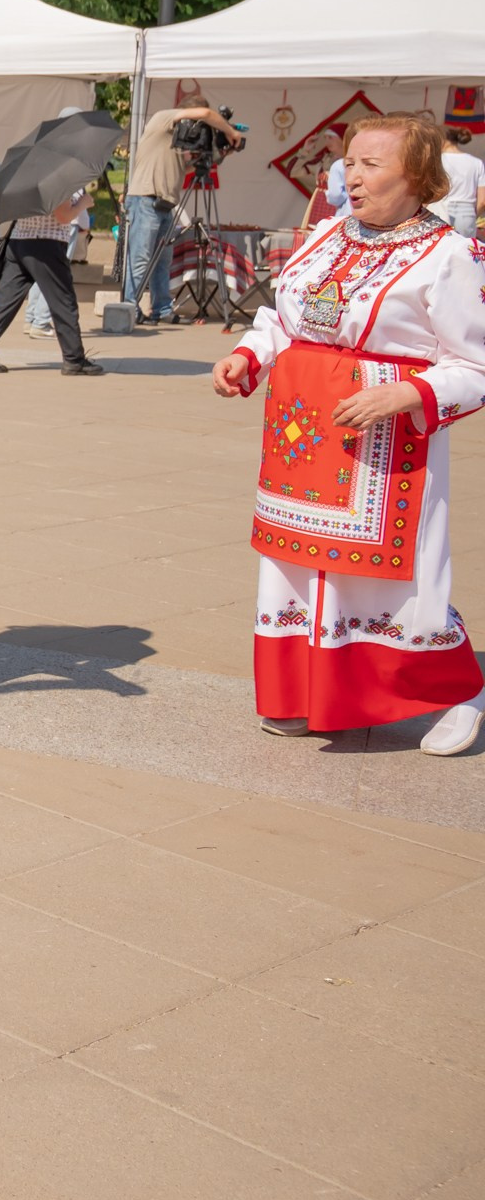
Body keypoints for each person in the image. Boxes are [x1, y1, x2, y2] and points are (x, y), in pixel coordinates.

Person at [211, 113, 485, 756]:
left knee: (389, 577)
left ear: (416, 176)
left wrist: (408, 394)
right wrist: (250, 356)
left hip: (387, 441)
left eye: (370, 166)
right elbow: (282, 316)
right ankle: (305, 693)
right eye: (349, 163)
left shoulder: (449, 255)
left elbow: (475, 364)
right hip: (301, 433)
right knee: (293, 564)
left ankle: (453, 691)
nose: (351, 178)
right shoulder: (330, 232)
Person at [0, 184, 105, 376]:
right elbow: (63, 216)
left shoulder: (25, 178)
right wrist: (83, 203)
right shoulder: (57, 179)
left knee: (6, 302)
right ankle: (74, 359)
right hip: (47, 244)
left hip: (19, 242)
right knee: (64, 302)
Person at [123, 97, 239, 325]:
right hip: (146, 198)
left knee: (162, 261)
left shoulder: (176, 140)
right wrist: (230, 131)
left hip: (166, 203)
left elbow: (181, 170)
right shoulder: (163, 118)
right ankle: (128, 309)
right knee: (140, 259)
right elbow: (206, 114)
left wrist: (219, 153)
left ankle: (162, 309)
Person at [437, 126, 484, 238]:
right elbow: (482, 201)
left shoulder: (438, 160)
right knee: (466, 248)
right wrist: (472, 216)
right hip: (467, 214)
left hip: (440, 211)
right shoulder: (476, 162)